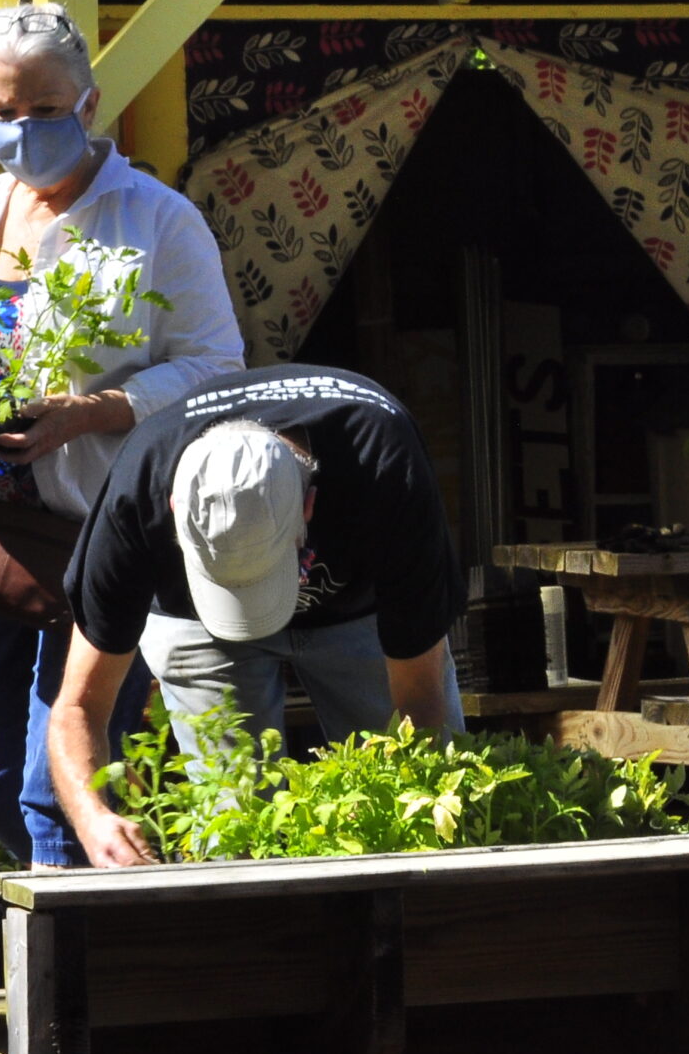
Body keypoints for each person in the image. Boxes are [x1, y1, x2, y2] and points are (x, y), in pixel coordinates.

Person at [0, 1, 244, 870]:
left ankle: (65, 980)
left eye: (44, 109)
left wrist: (92, 412)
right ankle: (96, 926)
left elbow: (216, 367)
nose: (23, 129)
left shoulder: (155, 220)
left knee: (58, 789)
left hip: (102, 533)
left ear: (89, 101)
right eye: (3, 113)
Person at [48, 365, 467, 868]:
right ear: (175, 506)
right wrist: (94, 818)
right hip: (194, 625)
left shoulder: (384, 465)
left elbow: (420, 700)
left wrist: (412, 817)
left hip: (358, 614)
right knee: (233, 826)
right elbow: (78, 705)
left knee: (415, 808)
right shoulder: (137, 490)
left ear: (310, 505)